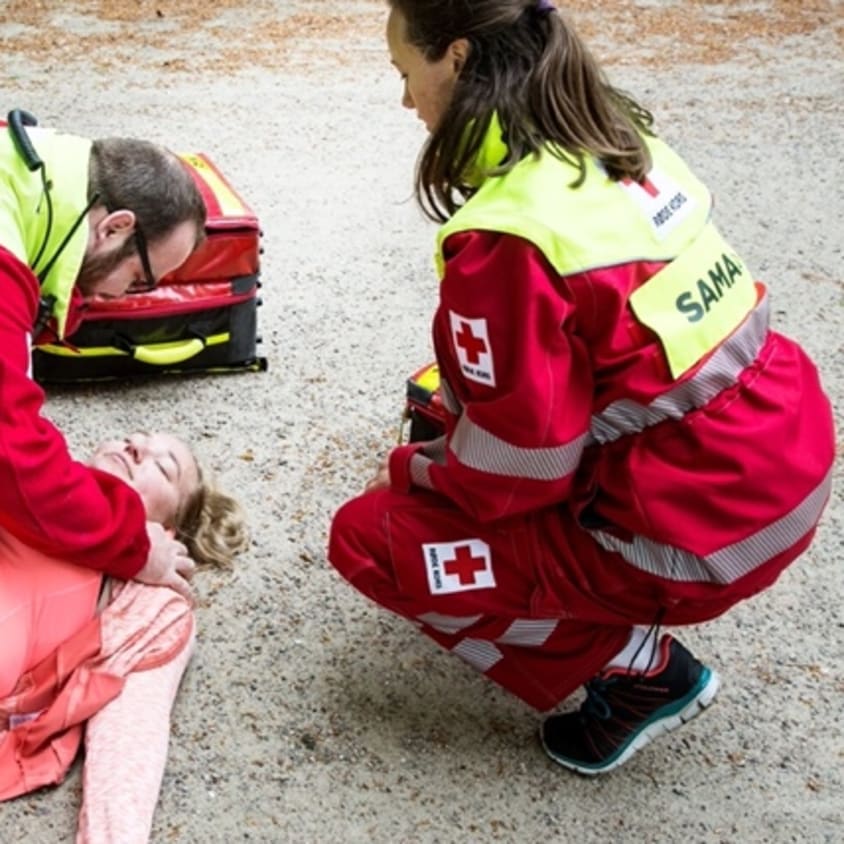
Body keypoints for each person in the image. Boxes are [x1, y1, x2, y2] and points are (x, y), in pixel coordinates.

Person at [328, 0, 836, 776]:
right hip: (779, 457)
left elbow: (518, 469)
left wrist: (413, 473)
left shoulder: (507, 239)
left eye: (405, 73)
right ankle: (604, 606)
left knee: (371, 538)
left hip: (696, 530)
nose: (405, 101)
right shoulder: (619, 139)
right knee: (438, 412)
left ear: (458, 59)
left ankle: (640, 672)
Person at [0, 430, 248, 843]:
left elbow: (130, 742)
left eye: (163, 467)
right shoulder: (28, 480)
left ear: (169, 528)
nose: (136, 446)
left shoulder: (151, 605)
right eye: (135, 436)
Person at [0, 112, 208, 599]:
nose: (123, 297)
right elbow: (13, 456)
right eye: (138, 278)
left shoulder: (25, 173)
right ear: (115, 227)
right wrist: (133, 545)